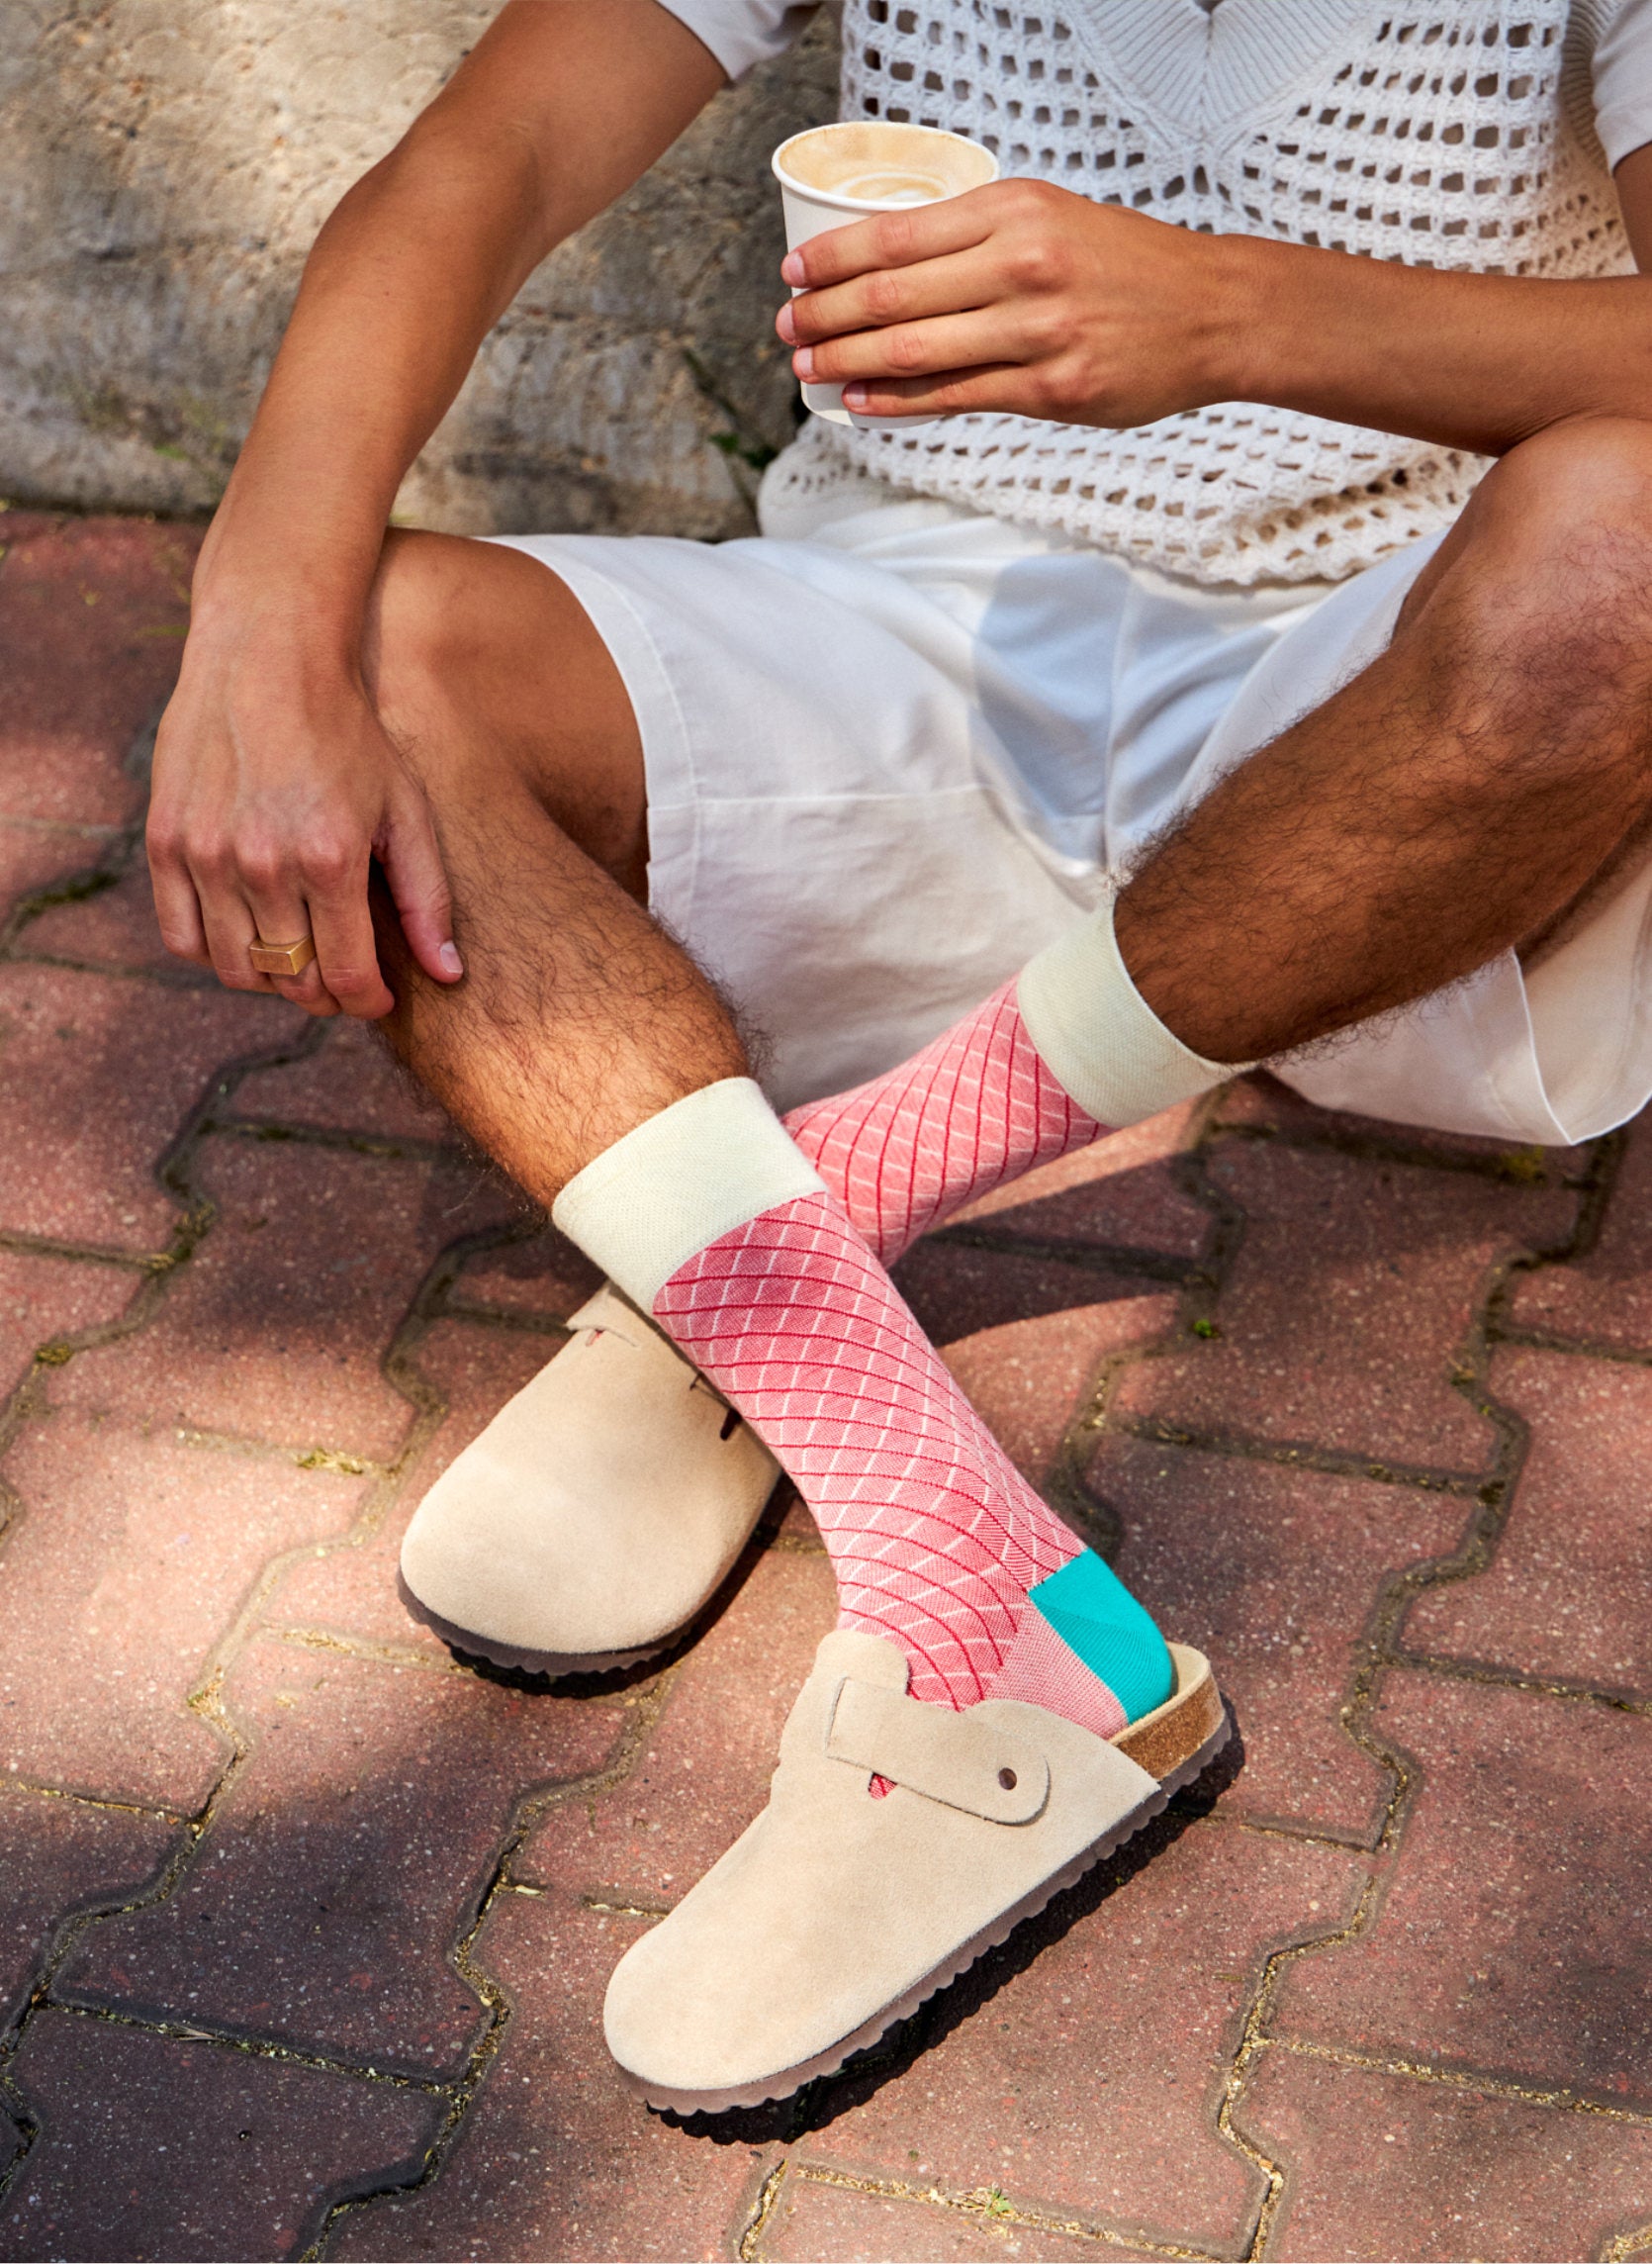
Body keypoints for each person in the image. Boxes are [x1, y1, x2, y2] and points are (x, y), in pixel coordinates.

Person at [147, 0, 1652, 2109]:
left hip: (1369, 686)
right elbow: (472, 164)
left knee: (1631, 545)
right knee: (368, 660)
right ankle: (977, 1585)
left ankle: (781, 1237)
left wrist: (1230, 320)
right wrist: (249, 627)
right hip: (907, 641)